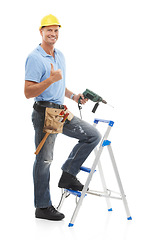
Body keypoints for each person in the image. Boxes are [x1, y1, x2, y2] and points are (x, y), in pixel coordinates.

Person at [24, 14, 101, 221]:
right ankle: (42, 207)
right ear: (41, 32)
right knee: (44, 160)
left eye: (56, 30)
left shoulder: (60, 56)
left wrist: (73, 95)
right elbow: (28, 92)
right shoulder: (35, 57)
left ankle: (68, 174)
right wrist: (50, 79)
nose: (53, 34)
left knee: (93, 135)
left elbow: (60, 84)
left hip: (60, 111)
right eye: (49, 30)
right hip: (44, 112)